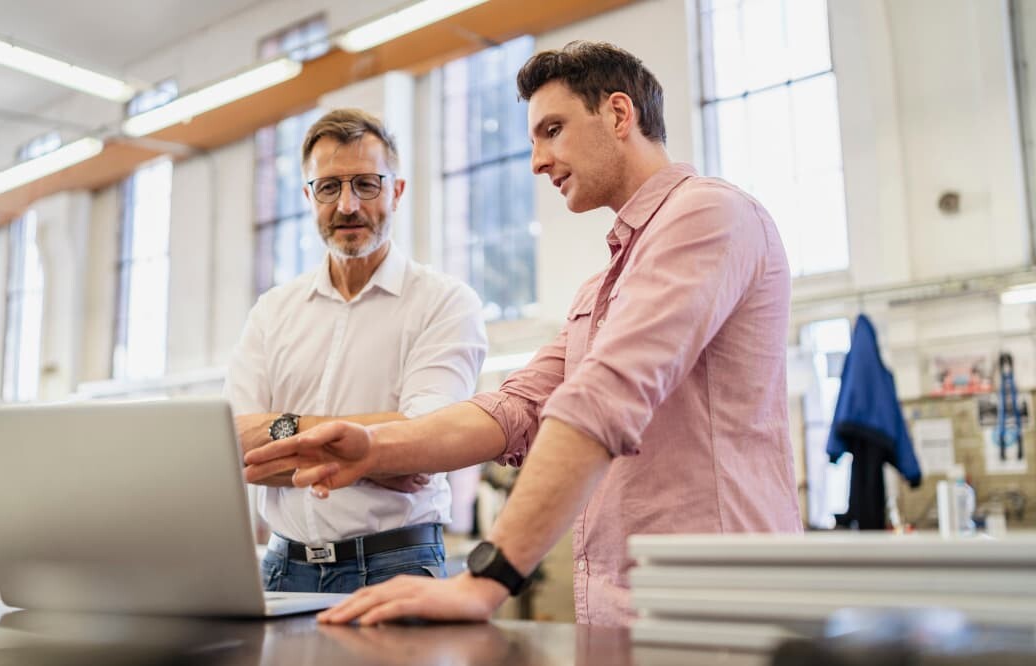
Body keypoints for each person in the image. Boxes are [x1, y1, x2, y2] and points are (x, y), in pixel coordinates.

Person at [244, 41, 802, 626]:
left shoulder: (707, 215)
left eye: (552, 130)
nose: (537, 160)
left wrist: (488, 578)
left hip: (718, 609)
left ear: (618, 114)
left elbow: (603, 398)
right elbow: (515, 409)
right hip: (624, 611)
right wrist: (374, 447)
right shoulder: (602, 286)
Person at [224, 108, 487, 594]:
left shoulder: (444, 303)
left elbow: (424, 448)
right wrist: (375, 449)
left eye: (366, 184)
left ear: (397, 191)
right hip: (285, 568)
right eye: (328, 187)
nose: (347, 205)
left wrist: (279, 434)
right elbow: (234, 447)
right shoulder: (273, 311)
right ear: (308, 196)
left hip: (397, 563)